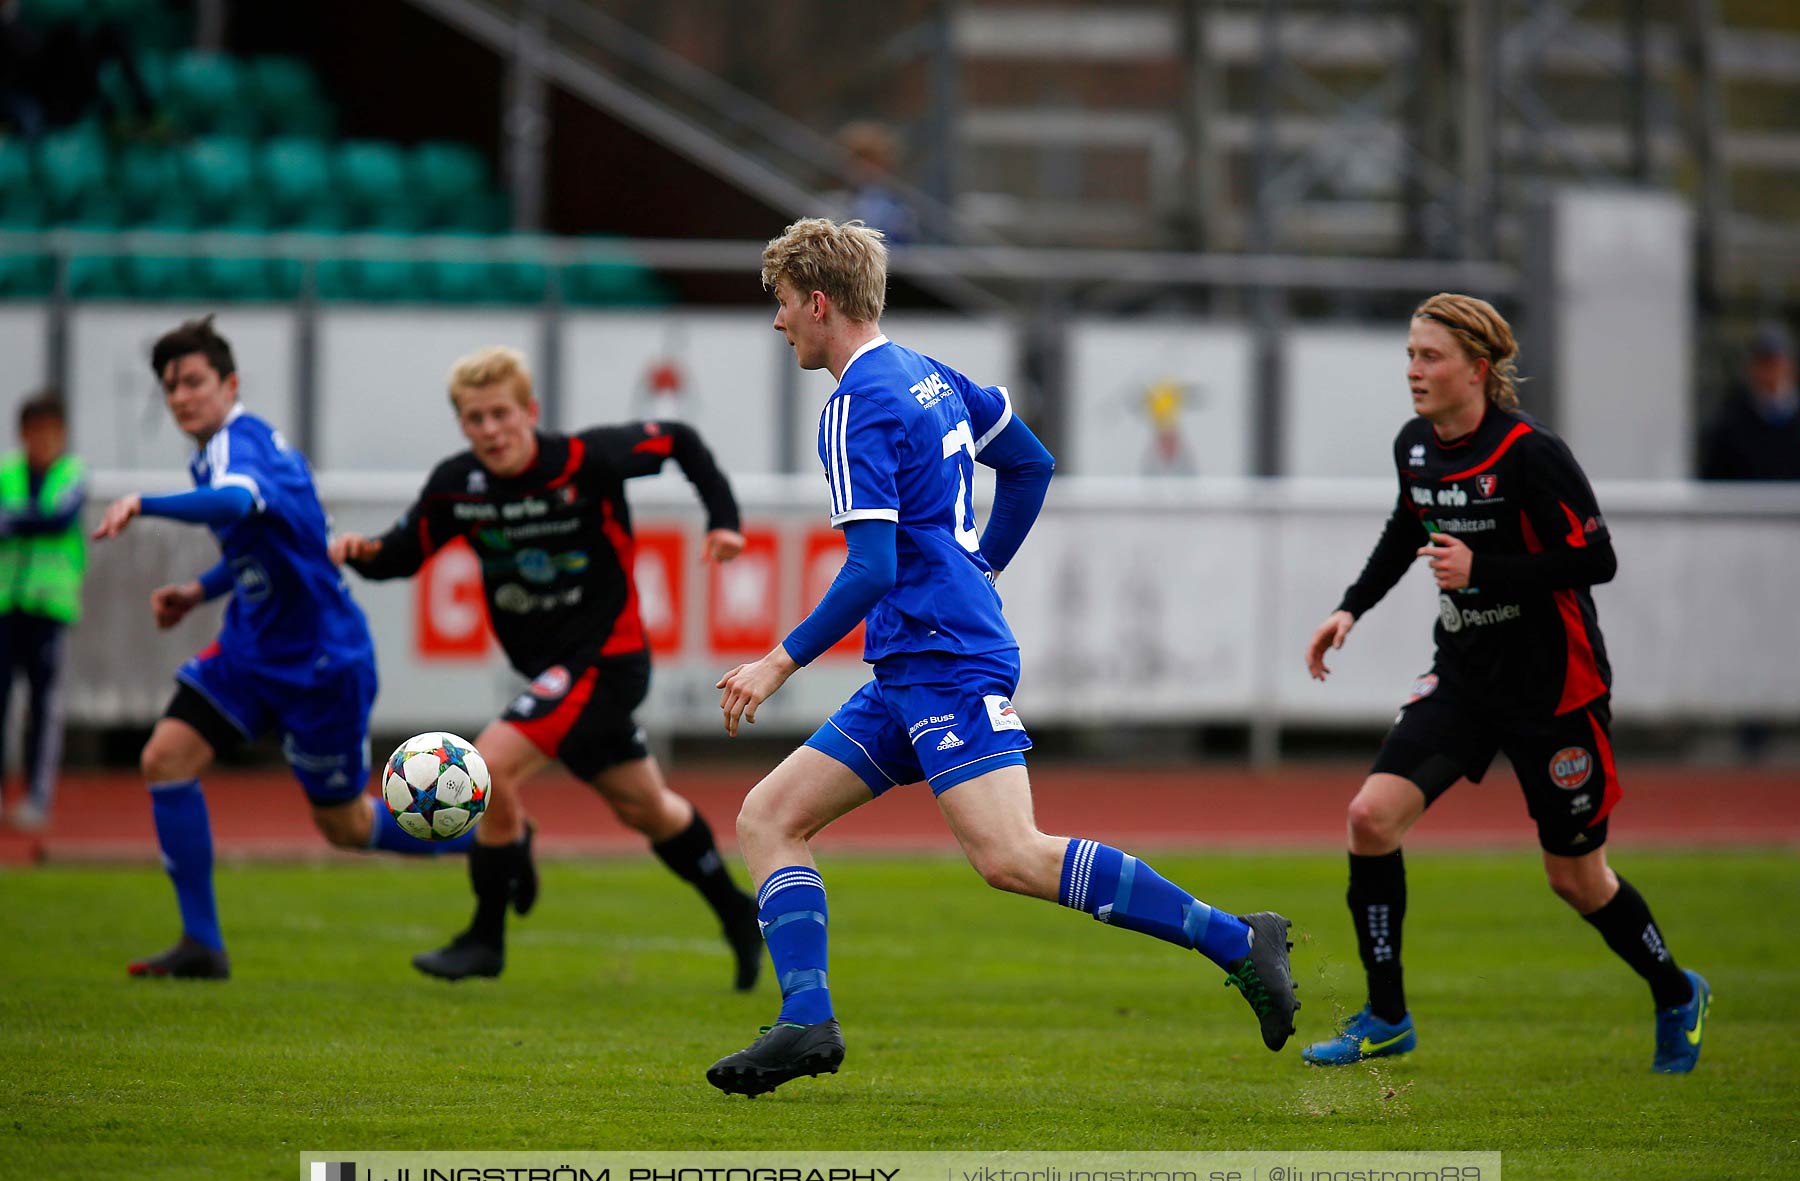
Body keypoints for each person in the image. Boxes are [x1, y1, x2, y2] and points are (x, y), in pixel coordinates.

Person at [704, 218, 1299, 1098]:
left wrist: (779, 661)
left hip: (943, 659)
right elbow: (1030, 464)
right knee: (768, 817)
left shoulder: (853, 404)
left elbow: (871, 565)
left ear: (819, 302)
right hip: (913, 663)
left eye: (784, 304)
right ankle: (806, 1022)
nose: (779, 321)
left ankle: (1237, 940)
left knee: (1011, 856)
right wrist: (977, 561)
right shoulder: (930, 374)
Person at [1301, 293, 1709, 1074]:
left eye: (1431, 357)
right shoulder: (1416, 447)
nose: (1415, 372)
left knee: (1576, 878)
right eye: (1411, 357)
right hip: (1464, 679)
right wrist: (1349, 608)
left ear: (1477, 371)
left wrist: (1484, 570)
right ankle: (1387, 1015)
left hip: (1554, 689)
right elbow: (1407, 527)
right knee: (1369, 819)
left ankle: (1675, 990)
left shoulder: (1530, 453)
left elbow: (1597, 561)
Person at [332, 346, 763, 987]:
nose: (490, 430)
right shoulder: (458, 485)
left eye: (501, 414)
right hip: (556, 674)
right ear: (462, 426)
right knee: (648, 808)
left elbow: (679, 441)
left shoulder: (583, 460)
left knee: (484, 765)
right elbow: (403, 553)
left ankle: (486, 937)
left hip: (608, 658)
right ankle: (738, 914)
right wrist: (359, 553)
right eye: (474, 419)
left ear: (530, 411)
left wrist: (724, 521)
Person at [92, 316, 472, 981]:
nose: (180, 396)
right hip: (250, 651)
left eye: (192, 381)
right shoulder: (247, 445)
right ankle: (202, 945)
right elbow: (271, 545)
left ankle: (485, 838)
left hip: (320, 662)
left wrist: (142, 502)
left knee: (345, 827)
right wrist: (198, 590)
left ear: (228, 383)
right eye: (169, 386)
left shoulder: (236, 450)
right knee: (166, 756)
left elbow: (237, 504)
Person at [0, 388, 85, 829]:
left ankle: (37, 796)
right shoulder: (7, 473)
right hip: (5, 604)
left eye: (50, 433)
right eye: (34, 432)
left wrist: (15, 520)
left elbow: (58, 520)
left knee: (41, 707)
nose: (42, 441)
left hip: (49, 606)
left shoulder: (71, 474)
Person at [1699, 321, 1800, 482]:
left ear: (1789, 366)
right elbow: (1713, 483)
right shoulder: (1731, 424)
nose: (1770, 372)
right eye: (1763, 364)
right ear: (1752, 368)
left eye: (1775, 363)